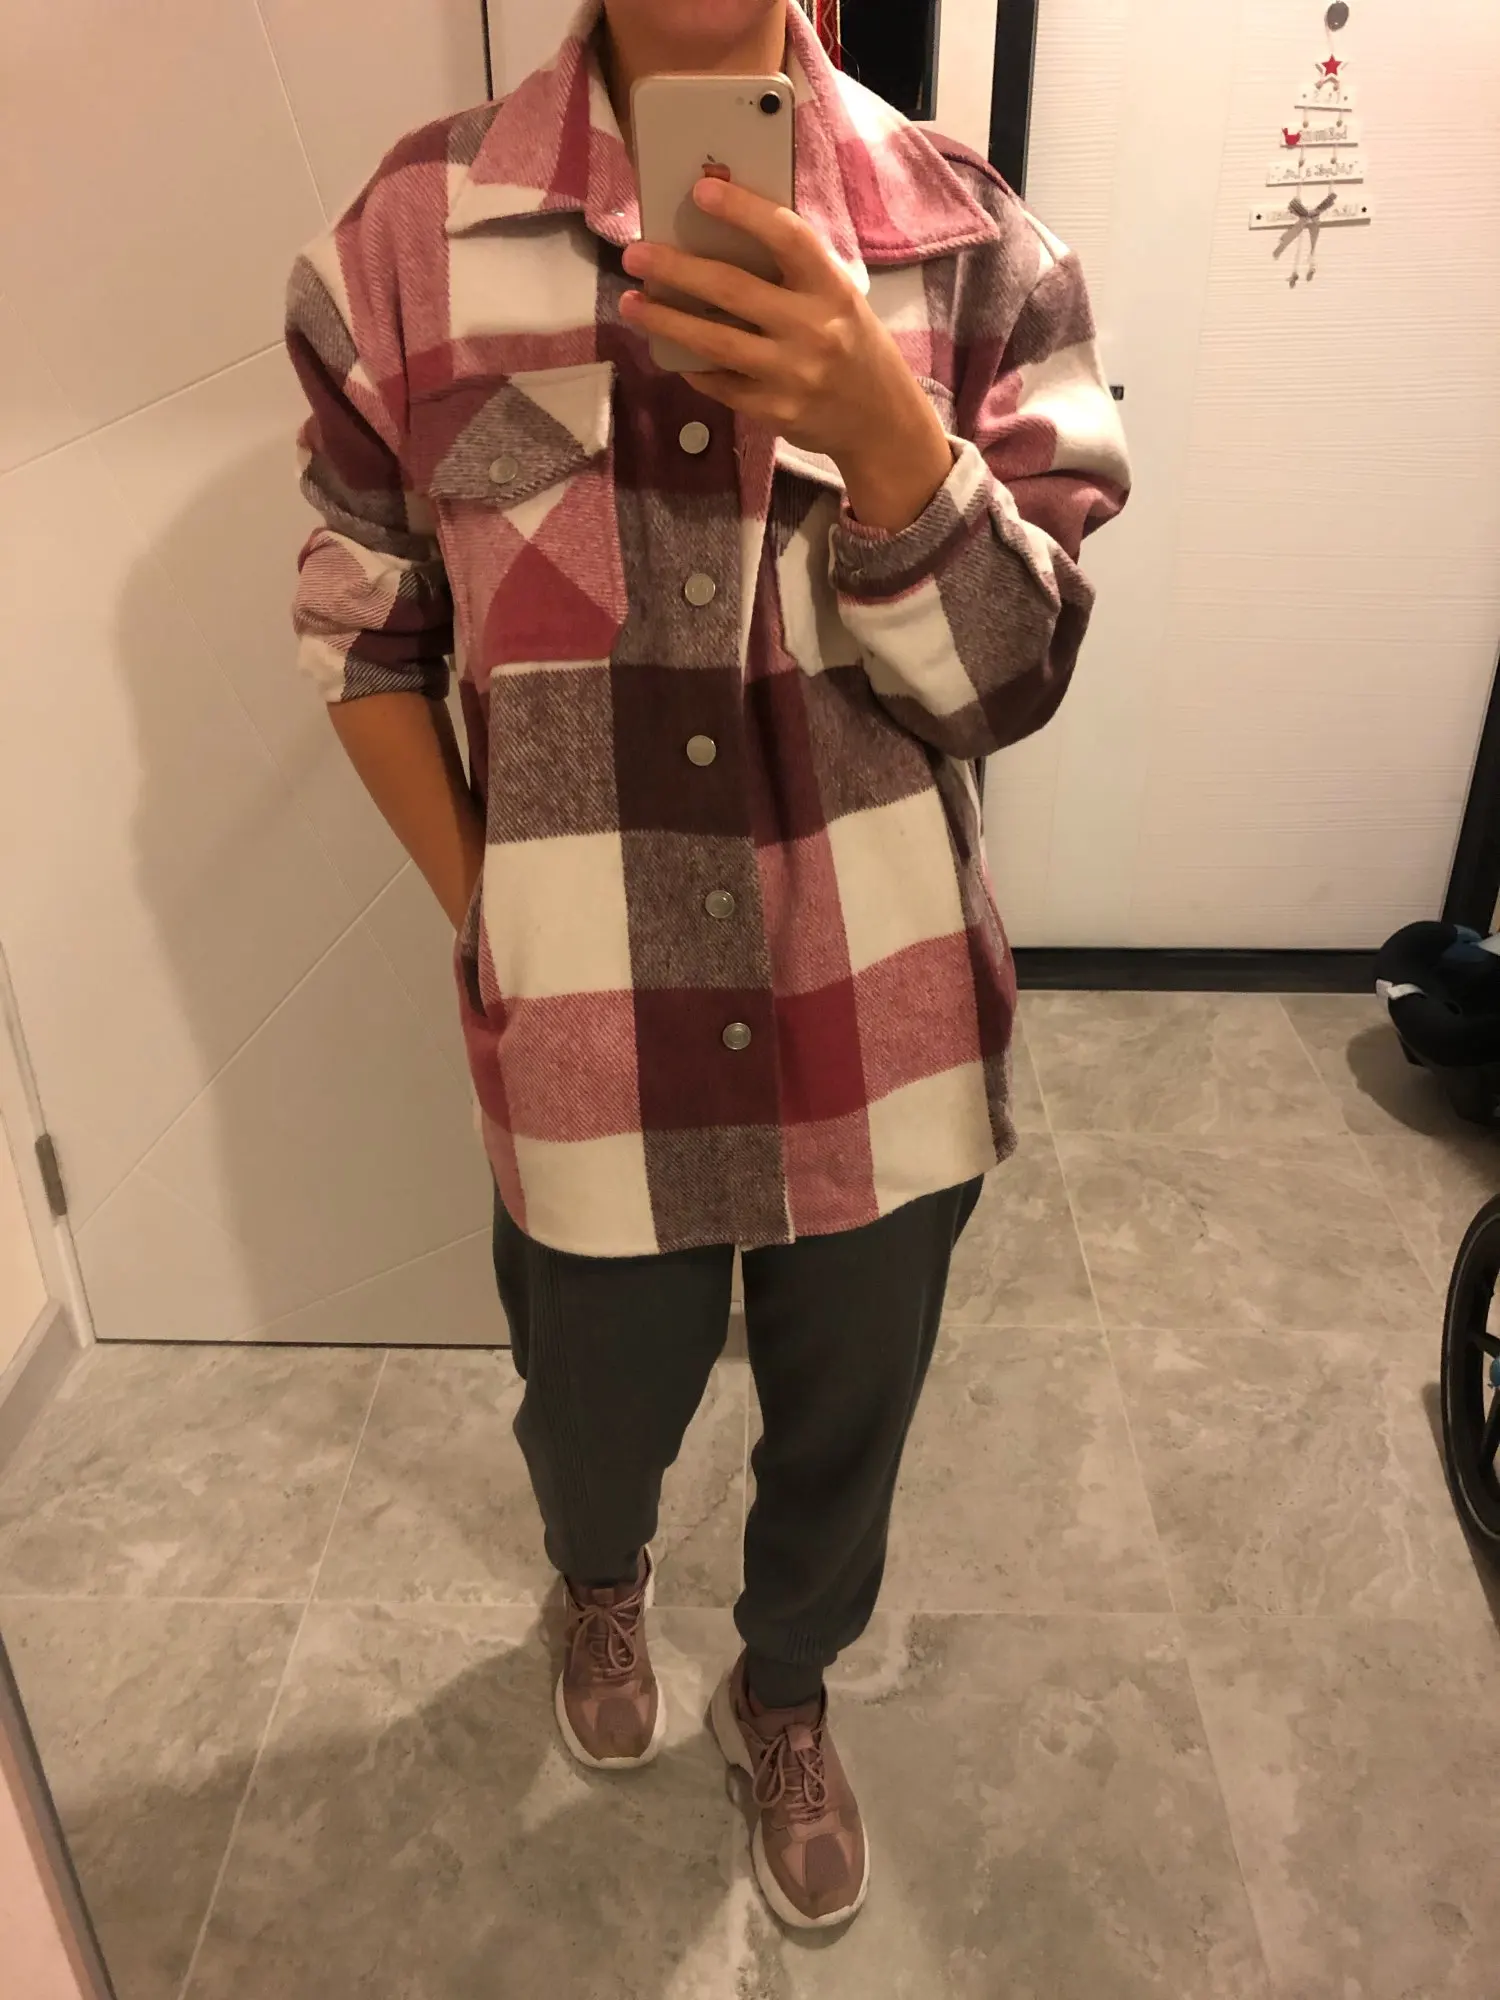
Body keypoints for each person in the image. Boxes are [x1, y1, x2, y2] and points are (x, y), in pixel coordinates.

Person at [285, 0, 1128, 1933]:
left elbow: (1011, 686)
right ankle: (599, 1580)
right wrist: (491, 914)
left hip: (884, 1024)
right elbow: (359, 626)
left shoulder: (975, 250)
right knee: (590, 1413)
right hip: (584, 1040)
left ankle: (787, 1688)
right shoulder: (404, 247)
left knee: (848, 1423)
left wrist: (886, 433)